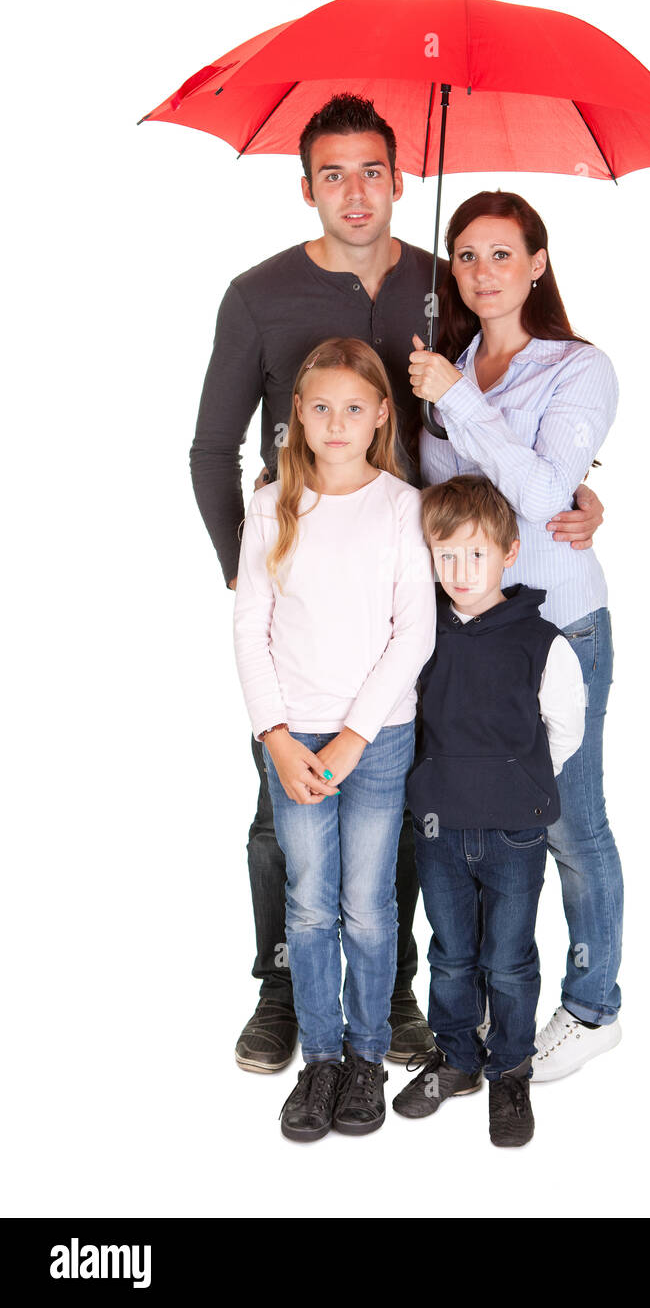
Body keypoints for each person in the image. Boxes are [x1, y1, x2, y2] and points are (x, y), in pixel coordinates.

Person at [190, 97, 606, 1071]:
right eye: (331, 174)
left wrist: (579, 491)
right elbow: (212, 448)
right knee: (280, 803)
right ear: (306, 188)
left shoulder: (440, 276)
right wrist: (254, 574)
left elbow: (504, 401)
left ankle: (393, 988)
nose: (355, 192)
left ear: (399, 179)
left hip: (431, 595)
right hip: (301, 601)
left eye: (371, 170)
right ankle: (284, 985)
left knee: (414, 789)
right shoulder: (258, 295)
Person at [409, 190, 624, 1081]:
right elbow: (447, 512)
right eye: (466, 255)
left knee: (569, 822)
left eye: (503, 254)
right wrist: (449, 391)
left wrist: (460, 400)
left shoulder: (578, 367)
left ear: (538, 264)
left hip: (556, 625)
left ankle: (592, 1005)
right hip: (463, 637)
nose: (483, 272)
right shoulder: (443, 365)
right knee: (473, 827)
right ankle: (474, 1004)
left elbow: (538, 500)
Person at [233, 337, 435, 1141]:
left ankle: (365, 1057)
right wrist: (277, 738)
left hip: (377, 736)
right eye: (321, 407)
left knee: (368, 904)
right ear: (298, 418)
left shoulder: (402, 506)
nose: (337, 421)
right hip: (293, 733)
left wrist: (354, 736)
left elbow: (413, 632)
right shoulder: (272, 504)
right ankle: (319, 1057)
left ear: (383, 414)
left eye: (355, 407)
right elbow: (251, 627)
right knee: (309, 904)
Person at [393, 475, 584, 1146]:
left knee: (507, 958)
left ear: (509, 551)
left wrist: (517, 787)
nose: (460, 572)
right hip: (441, 830)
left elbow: (564, 727)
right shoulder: (421, 635)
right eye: (445, 556)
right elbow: (408, 722)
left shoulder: (540, 640)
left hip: (514, 833)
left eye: (475, 555)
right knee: (450, 954)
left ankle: (510, 1069)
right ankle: (456, 1060)